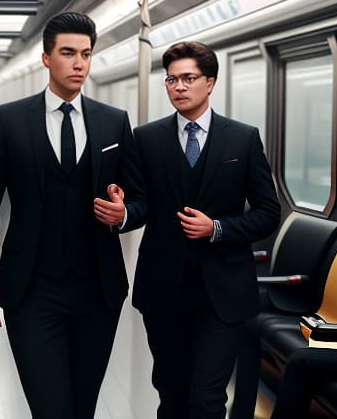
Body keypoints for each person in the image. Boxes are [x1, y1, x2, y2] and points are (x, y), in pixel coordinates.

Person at [0, 11, 147, 419]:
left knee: (82, 408)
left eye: (86, 54)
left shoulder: (113, 122)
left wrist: (123, 215)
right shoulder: (9, 120)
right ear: (46, 59)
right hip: (30, 291)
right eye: (68, 53)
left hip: (98, 292)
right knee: (50, 408)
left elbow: (141, 201)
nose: (79, 63)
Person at [132, 41, 281, 419]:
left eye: (188, 78)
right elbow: (139, 205)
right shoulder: (145, 139)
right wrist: (121, 213)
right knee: (171, 391)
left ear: (209, 83)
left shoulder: (242, 139)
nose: (178, 87)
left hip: (224, 292)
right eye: (171, 79)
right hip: (163, 289)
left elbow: (267, 213)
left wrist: (216, 228)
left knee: (207, 397)